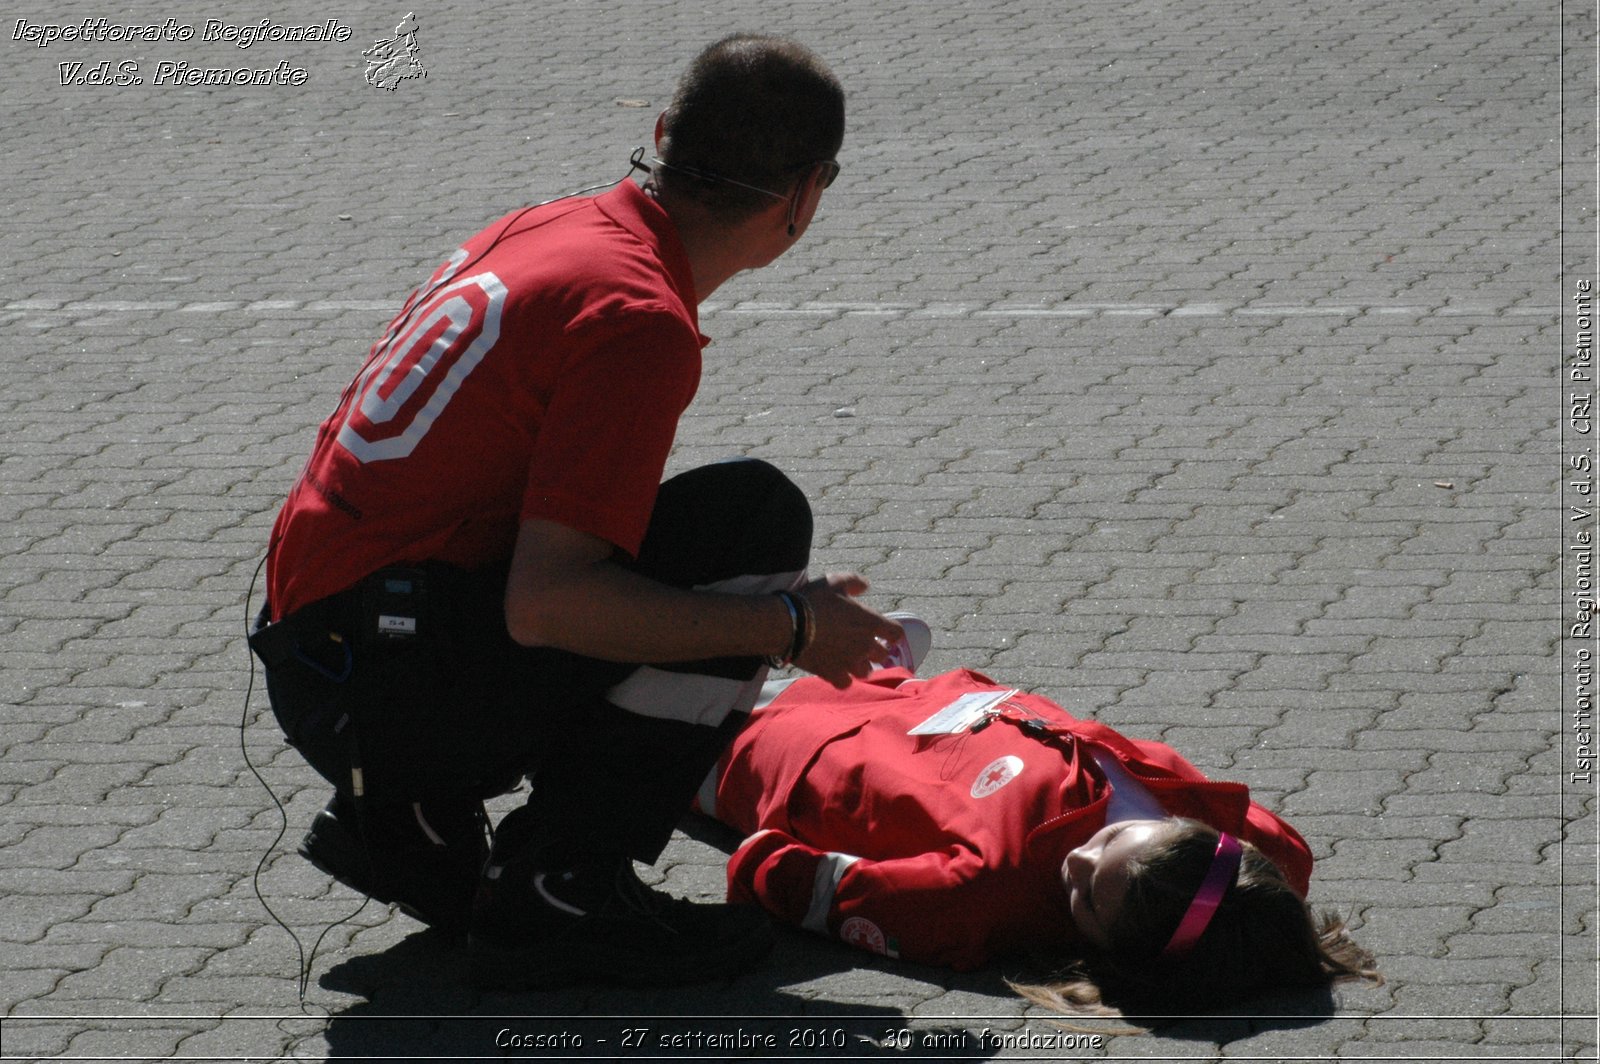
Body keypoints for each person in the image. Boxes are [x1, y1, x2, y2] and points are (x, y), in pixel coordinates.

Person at [249, 34, 906, 989]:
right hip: (379, 686)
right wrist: (789, 626)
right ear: (807, 194)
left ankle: (410, 822)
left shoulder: (547, 225)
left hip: (326, 645)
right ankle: (560, 889)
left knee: (709, 547)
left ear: (662, 134)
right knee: (752, 525)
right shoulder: (636, 318)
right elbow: (547, 605)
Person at [700, 632, 1379, 1015]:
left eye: (1083, 900)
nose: (1073, 865)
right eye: (1112, 838)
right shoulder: (1262, 853)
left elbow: (779, 875)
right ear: (1195, 836)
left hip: (763, 742)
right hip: (905, 690)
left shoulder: (978, 902)